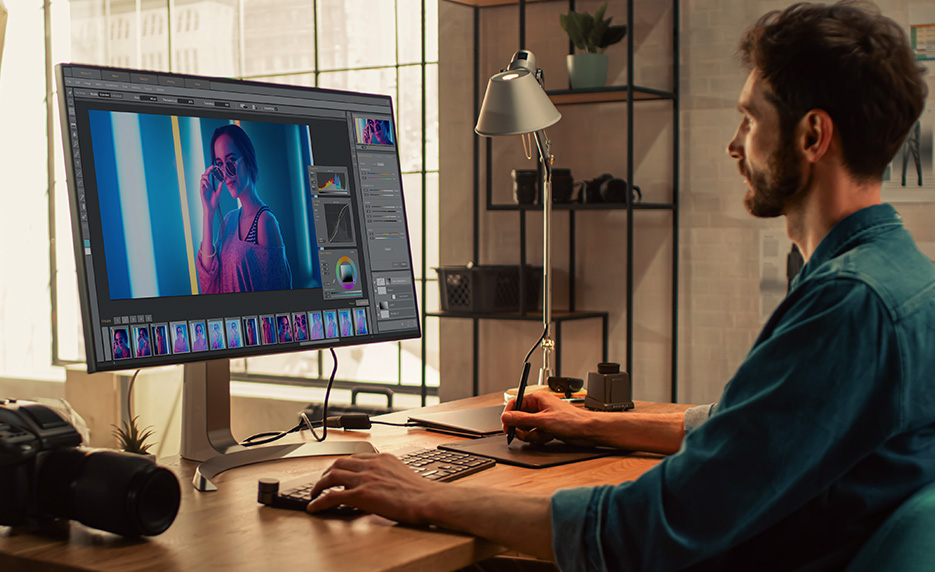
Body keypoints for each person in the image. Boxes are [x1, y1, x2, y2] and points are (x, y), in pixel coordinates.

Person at [306, 3, 933, 570]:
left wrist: (430, 496)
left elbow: (649, 529)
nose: (733, 145)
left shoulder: (850, 305)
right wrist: (585, 424)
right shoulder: (898, 276)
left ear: (811, 136)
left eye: (748, 119)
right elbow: (747, 428)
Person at [197, 124, 292, 294]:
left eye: (231, 162)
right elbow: (208, 283)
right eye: (220, 166)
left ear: (247, 158)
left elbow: (279, 298)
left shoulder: (265, 222)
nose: (226, 174)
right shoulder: (229, 221)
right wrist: (208, 213)